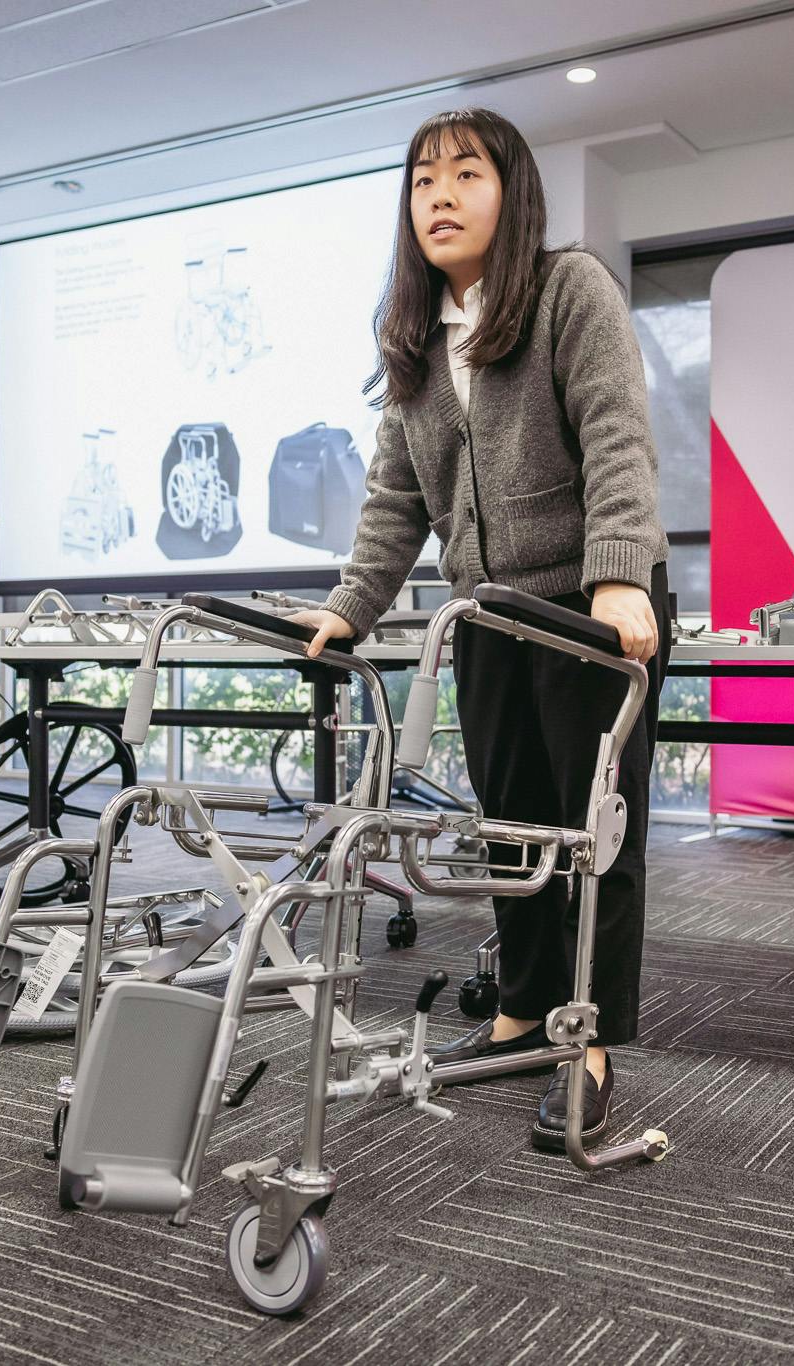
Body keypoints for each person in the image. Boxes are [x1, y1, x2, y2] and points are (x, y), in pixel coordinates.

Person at [294, 108, 670, 1149]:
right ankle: (521, 1012)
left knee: (591, 837)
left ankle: (588, 1040)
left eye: (465, 174)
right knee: (509, 828)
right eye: (423, 181)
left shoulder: (567, 290)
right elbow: (395, 500)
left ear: (512, 193)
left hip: (590, 614)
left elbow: (616, 434)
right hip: (488, 615)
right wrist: (349, 605)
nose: (441, 196)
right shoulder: (416, 338)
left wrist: (618, 576)